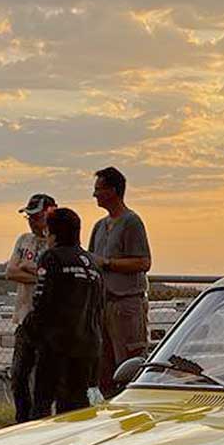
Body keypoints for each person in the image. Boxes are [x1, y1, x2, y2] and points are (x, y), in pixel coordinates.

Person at [26, 207, 104, 417]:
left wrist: (32, 334)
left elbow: (41, 302)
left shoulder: (51, 257)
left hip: (57, 344)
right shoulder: (92, 264)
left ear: (53, 233)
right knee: (76, 406)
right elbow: (99, 307)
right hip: (89, 346)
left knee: (42, 403)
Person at [88, 166, 152, 396]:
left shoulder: (131, 222)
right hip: (103, 304)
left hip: (126, 304)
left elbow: (144, 262)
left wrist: (107, 263)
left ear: (113, 191)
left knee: (128, 362)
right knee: (102, 365)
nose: (94, 194)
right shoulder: (99, 226)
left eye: (98, 189)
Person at [4, 193, 55, 421]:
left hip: (49, 321)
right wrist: (37, 273)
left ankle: (40, 419)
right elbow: (11, 271)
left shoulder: (57, 243)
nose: (32, 222)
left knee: (45, 378)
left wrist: (28, 269)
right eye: (30, 217)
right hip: (24, 318)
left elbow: (55, 277)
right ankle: (22, 419)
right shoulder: (24, 240)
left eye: (37, 217)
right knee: (18, 375)